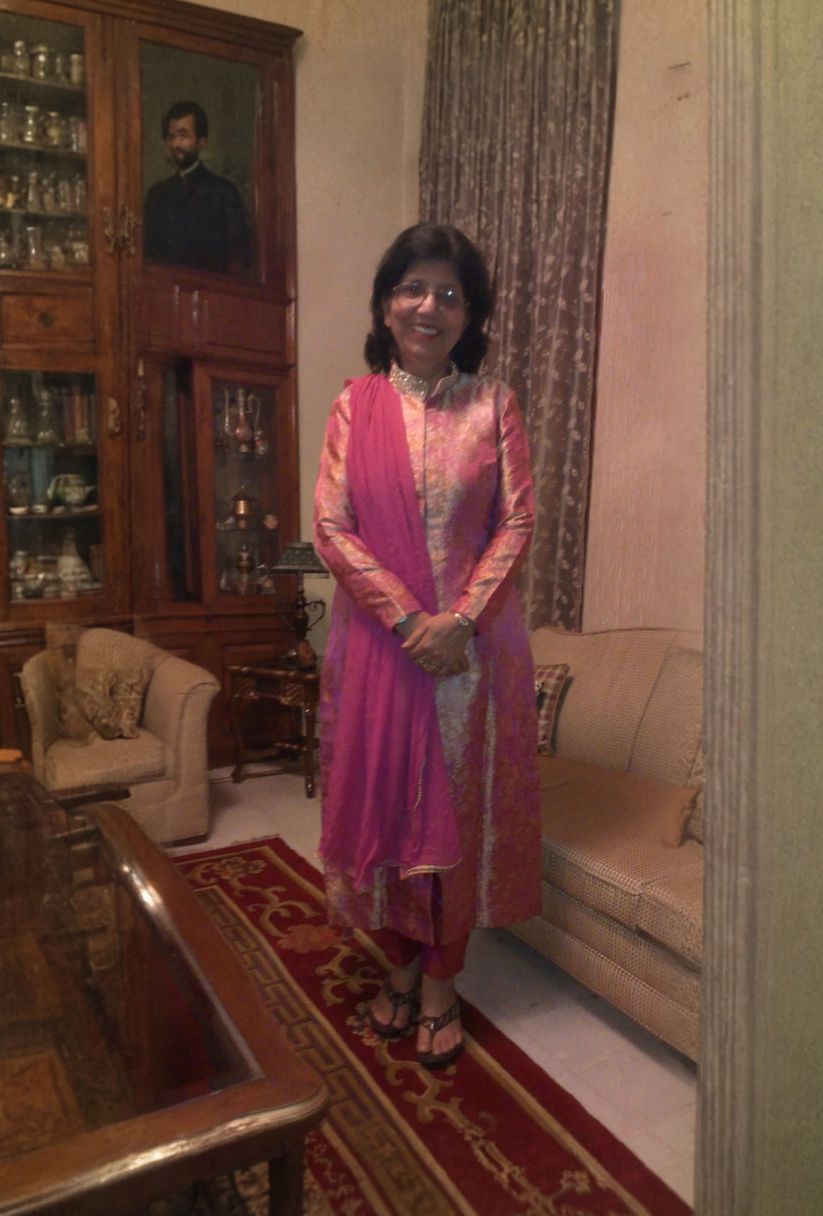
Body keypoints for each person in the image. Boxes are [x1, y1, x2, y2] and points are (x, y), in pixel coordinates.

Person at [313, 223, 541, 1069]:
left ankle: (442, 982)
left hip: (471, 660)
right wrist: (410, 621)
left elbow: (517, 520)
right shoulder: (354, 407)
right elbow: (332, 527)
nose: (429, 306)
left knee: (456, 822)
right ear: (385, 304)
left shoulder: (494, 406)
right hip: (382, 649)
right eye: (413, 288)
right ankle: (401, 965)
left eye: (449, 293)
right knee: (386, 810)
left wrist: (463, 620)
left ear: (469, 314)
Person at [143, 101, 250, 274]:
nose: (176, 144)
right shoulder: (156, 194)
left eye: (183, 136)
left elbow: (237, 260)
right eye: (171, 137)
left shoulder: (224, 192)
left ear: (201, 142)